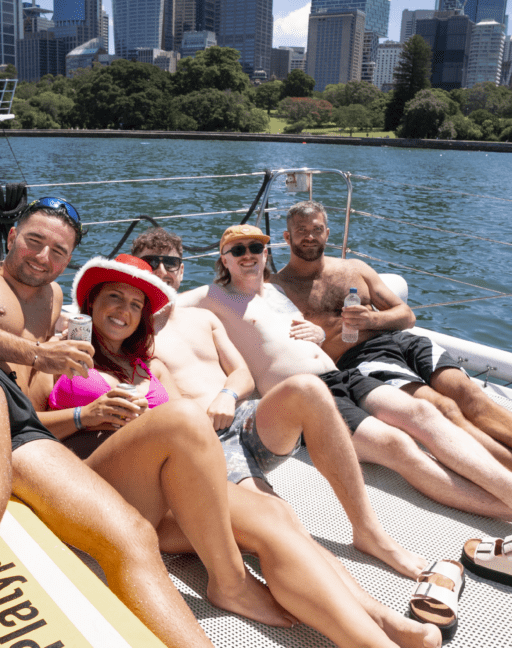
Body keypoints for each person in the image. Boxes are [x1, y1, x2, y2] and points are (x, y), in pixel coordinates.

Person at [34, 251, 442, 648]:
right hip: (97, 489)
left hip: (166, 500)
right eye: (114, 297)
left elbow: (193, 436)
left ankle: (378, 626)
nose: (124, 309)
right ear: (91, 301)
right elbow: (21, 433)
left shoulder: (150, 368)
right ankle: (228, 582)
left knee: (275, 517)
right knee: (181, 418)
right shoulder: (57, 357)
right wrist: (83, 416)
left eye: (136, 303)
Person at [0, 198, 225, 648]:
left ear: (68, 262)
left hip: (16, 416)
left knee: (129, 533)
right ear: (12, 237)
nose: (43, 257)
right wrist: (35, 353)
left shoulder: (54, 299)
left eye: (59, 251)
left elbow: (31, 393)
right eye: (34, 241)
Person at [178, 223, 512, 521]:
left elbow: (304, 335)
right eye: (238, 250)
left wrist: (319, 335)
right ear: (224, 259)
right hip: (309, 397)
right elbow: (161, 305)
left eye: (255, 248)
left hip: (341, 375)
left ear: (266, 253)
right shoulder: (214, 295)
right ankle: (506, 507)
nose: (248, 255)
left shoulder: (276, 295)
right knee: (396, 445)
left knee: (423, 413)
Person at [272, 200, 512, 470]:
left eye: (316, 229)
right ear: (287, 237)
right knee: (443, 409)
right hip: (360, 358)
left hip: (404, 341)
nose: (310, 236)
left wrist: (371, 318)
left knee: (469, 394)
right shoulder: (278, 288)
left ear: (327, 233)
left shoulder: (355, 268)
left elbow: (407, 316)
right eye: (301, 229)